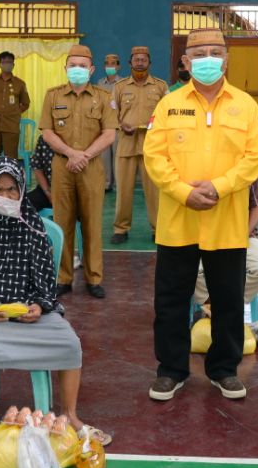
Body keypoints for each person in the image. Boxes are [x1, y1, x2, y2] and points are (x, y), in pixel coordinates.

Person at [0, 157, 110, 468]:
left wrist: (39, 305)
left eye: (12, 190)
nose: (5, 197)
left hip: (27, 311)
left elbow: (45, 277)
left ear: (21, 192)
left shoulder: (30, 224)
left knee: (69, 343)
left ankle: (71, 416)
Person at [144, 28, 258, 401]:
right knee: (170, 300)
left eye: (216, 52)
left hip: (226, 222)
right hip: (177, 222)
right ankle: (171, 370)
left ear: (227, 59)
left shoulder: (246, 105)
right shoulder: (168, 104)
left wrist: (220, 186)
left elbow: (256, 155)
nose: (209, 59)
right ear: (185, 62)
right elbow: (155, 155)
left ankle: (224, 369)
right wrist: (184, 192)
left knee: (228, 301)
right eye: (200, 54)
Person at [39, 45, 118, 299]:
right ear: (65, 68)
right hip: (62, 166)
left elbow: (109, 133)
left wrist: (84, 155)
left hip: (91, 166)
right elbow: (47, 132)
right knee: (63, 222)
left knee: (93, 223)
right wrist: (71, 153)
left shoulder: (104, 97)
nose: (77, 70)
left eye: (82, 66)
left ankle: (94, 278)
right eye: (73, 65)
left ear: (91, 69)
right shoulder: (53, 96)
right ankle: (63, 278)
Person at [193, 171, 258, 336]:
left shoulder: (251, 163)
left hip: (242, 236)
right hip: (202, 236)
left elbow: (257, 207)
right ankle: (213, 305)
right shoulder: (202, 159)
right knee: (188, 268)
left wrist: (242, 234)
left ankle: (226, 307)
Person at [110, 46, 168, 244]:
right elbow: (111, 114)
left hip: (151, 146)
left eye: (143, 59)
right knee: (123, 191)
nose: (140, 62)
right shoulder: (120, 87)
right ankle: (120, 229)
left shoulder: (160, 86)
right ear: (130, 63)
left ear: (149, 63)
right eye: (136, 59)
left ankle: (157, 229)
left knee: (154, 192)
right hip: (126, 145)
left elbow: (167, 114)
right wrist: (120, 125)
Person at [0, 51, 30, 162]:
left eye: (9, 62)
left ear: (13, 65)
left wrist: (15, 112)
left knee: (11, 157)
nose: (7, 64)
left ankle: (11, 179)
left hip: (11, 125)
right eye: (4, 62)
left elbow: (26, 104)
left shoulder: (20, 83)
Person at [97, 54, 123, 193]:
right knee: (104, 157)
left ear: (118, 66)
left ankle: (118, 185)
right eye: (107, 64)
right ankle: (106, 184)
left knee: (117, 156)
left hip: (118, 125)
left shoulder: (123, 83)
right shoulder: (100, 83)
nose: (110, 66)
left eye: (113, 63)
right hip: (104, 125)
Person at [27, 135, 54, 213]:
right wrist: (47, 192)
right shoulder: (44, 138)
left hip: (73, 192)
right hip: (47, 189)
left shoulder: (78, 140)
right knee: (23, 205)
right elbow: (37, 167)